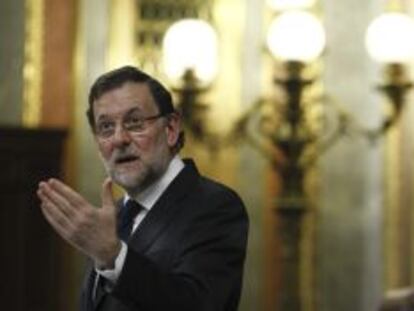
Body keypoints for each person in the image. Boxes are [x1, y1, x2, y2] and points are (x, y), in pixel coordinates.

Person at [37, 65, 249, 311]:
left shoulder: (215, 206)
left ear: (170, 129)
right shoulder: (109, 220)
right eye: (106, 127)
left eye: (135, 122)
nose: (119, 139)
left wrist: (113, 257)